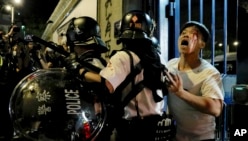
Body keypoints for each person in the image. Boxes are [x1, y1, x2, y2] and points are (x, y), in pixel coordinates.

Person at [76, 10, 167, 141]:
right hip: (156, 126)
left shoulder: (122, 57)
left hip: (133, 129)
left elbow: (107, 84)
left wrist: (80, 71)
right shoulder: (159, 57)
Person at [164, 21, 224, 141]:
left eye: (193, 34)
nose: (186, 35)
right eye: (183, 33)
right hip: (177, 137)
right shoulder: (171, 65)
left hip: (203, 138)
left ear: (202, 44)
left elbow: (216, 109)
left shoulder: (209, 73)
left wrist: (181, 93)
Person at [65, 16, 110, 141]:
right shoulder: (89, 59)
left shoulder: (92, 61)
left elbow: (103, 80)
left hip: (94, 120)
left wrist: (79, 71)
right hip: (89, 117)